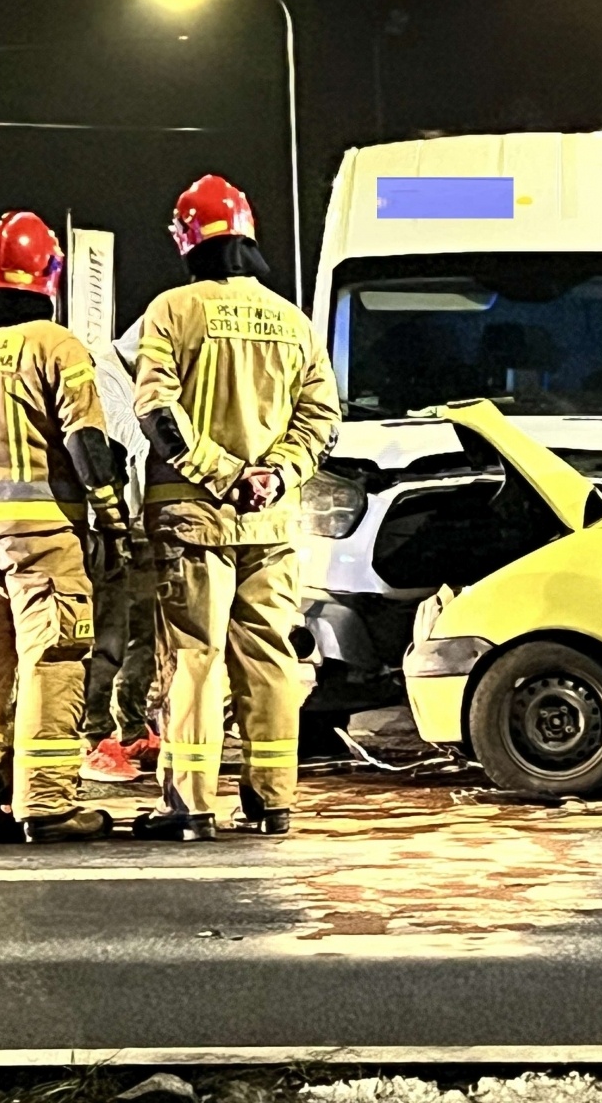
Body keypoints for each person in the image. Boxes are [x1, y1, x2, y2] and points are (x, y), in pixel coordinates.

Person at [132, 174, 340, 842]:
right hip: (271, 524)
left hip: (193, 520)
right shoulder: (292, 320)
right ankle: (273, 800)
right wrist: (274, 477)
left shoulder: (171, 310)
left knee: (193, 655)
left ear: (185, 239)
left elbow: (155, 410)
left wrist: (221, 474)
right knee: (271, 658)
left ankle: (189, 805)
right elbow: (322, 420)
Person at [0, 212, 129, 844]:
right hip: (45, 536)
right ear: (48, 274)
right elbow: (86, 440)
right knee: (54, 659)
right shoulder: (55, 344)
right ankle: (45, 804)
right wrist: (113, 512)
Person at [79, 348, 158, 783]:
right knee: (107, 635)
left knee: (141, 632)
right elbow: (130, 443)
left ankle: (132, 726)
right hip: (110, 525)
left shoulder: (148, 376)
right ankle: (96, 738)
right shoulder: (101, 375)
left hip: (143, 521)